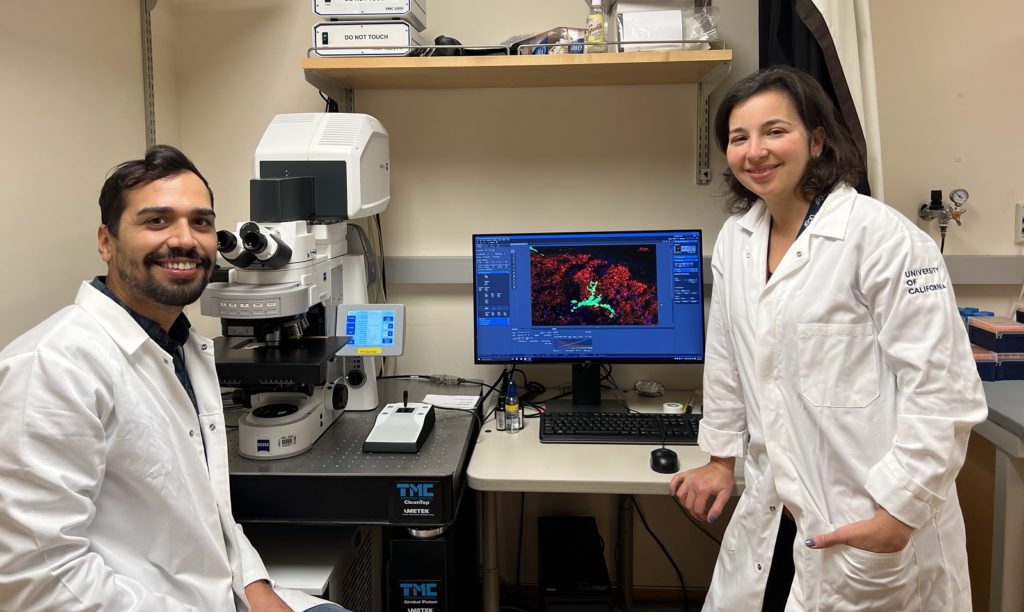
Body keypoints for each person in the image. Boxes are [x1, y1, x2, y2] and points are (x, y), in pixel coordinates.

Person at [670, 66, 987, 611]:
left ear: (817, 139)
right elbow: (726, 359)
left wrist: (896, 514)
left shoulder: (884, 240)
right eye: (738, 138)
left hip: (869, 513)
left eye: (775, 131)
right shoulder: (737, 239)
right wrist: (721, 458)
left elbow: (944, 397)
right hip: (777, 508)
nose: (755, 152)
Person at [0, 145, 346, 612]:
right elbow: (39, 579)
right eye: (157, 221)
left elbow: (212, 513)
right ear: (106, 241)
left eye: (201, 222)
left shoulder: (183, 346)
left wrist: (256, 588)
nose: (185, 239)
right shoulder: (51, 366)